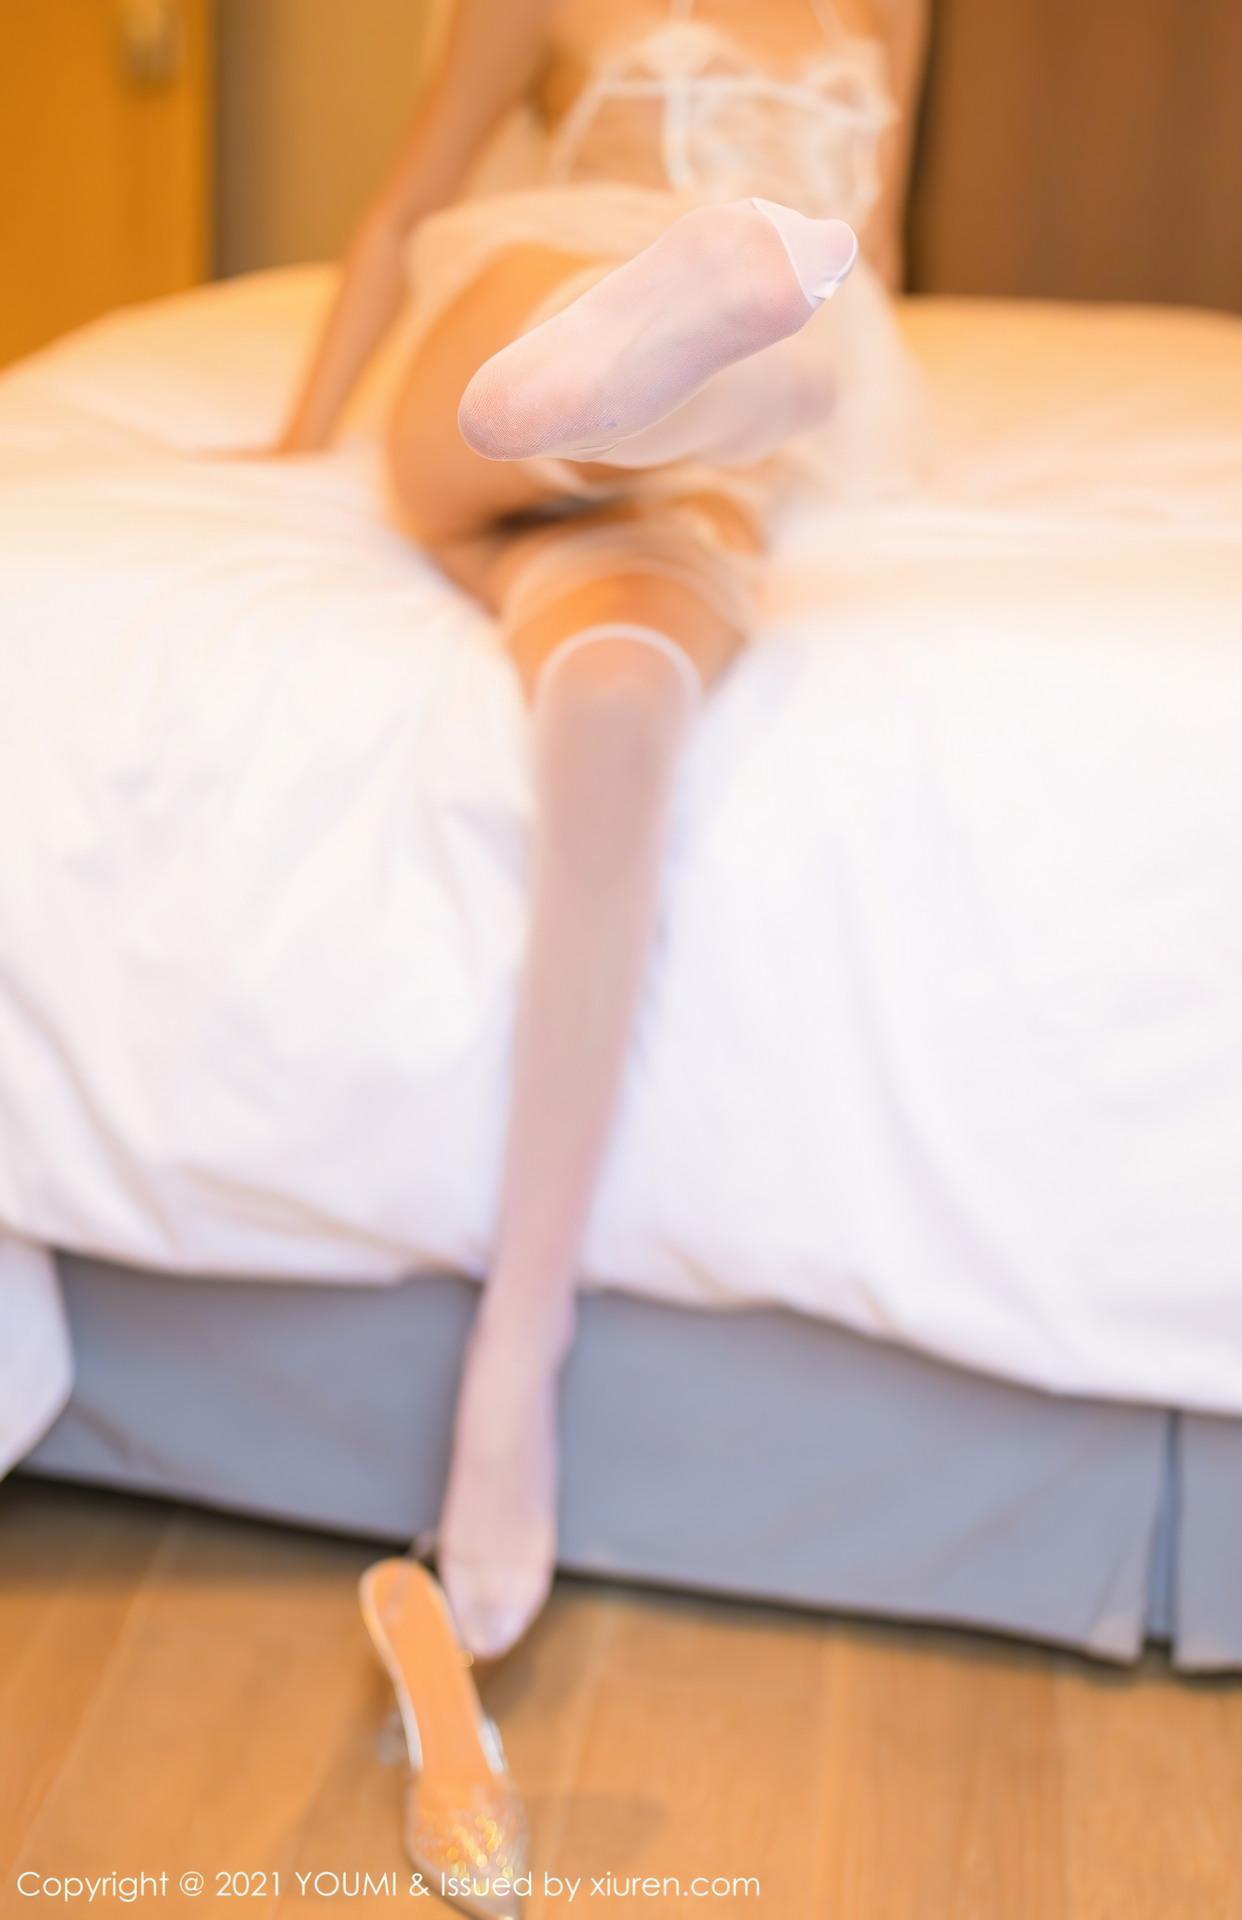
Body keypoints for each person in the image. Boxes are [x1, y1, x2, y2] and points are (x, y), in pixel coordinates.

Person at [273, 0, 925, 1669]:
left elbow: (882, 245)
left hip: (762, 352)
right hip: (562, 286)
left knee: (621, 686)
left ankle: (683, 351)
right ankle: (647, 354)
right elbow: (412, 208)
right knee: (543, 363)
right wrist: (289, 439)